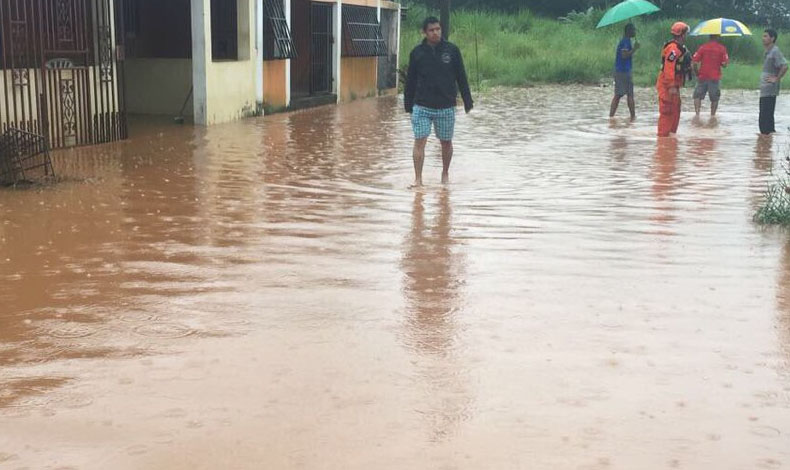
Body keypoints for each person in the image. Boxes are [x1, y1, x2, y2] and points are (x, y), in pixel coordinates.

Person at [404, 16, 474, 186]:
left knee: (446, 142)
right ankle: (418, 179)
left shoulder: (452, 50)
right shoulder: (417, 53)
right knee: (419, 140)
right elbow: (410, 80)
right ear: (425, 32)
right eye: (431, 30)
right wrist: (408, 104)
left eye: (438, 29)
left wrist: (467, 100)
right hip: (422, 105)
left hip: (446, 105)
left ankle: (445, 174)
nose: (435, 33)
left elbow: (461, 76)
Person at [656, 22, 691, 137]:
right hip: (667, 85)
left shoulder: (681, 48)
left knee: (676, 110)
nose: (687, 36)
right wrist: (671, 85)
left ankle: (671, 137)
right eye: (686, 33)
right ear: (682, 34)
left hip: (674, 85)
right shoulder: (673, 49)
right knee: (667, 111)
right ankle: (663, 139)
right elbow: (669, 67)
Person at [759, 29, 788, 135]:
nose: (763, 38)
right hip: (765, 87)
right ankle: (768, 141)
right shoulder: (768, 51)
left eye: (766, 36)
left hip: (770, 88)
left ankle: (765, 140)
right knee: (767, 115)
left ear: (772, 38)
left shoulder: (775, 51)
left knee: (765, 115)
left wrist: (776, 78)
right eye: (763, 36)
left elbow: (784, 66)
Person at [692, 35, 729, 117]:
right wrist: (720, 62)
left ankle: (697, 114)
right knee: (715, 98)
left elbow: (694, 62)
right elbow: (725, 64)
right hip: (715, 77)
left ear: (709, 37)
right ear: (717, 37)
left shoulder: (702, 47)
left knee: (697, 96)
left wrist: (697, 73)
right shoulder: (722, 48)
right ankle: (712, 116)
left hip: (702, 76)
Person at [610, 23, 639, 120]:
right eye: (633, 30)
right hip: (623, 71)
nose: (635, 32)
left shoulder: (626, 41)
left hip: (623, 71)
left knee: (622, 94)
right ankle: (632, 117)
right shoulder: (625, 42)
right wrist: (635, 49)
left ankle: (613, 117)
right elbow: (624, 55)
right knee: (624, 95)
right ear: (628, 31)